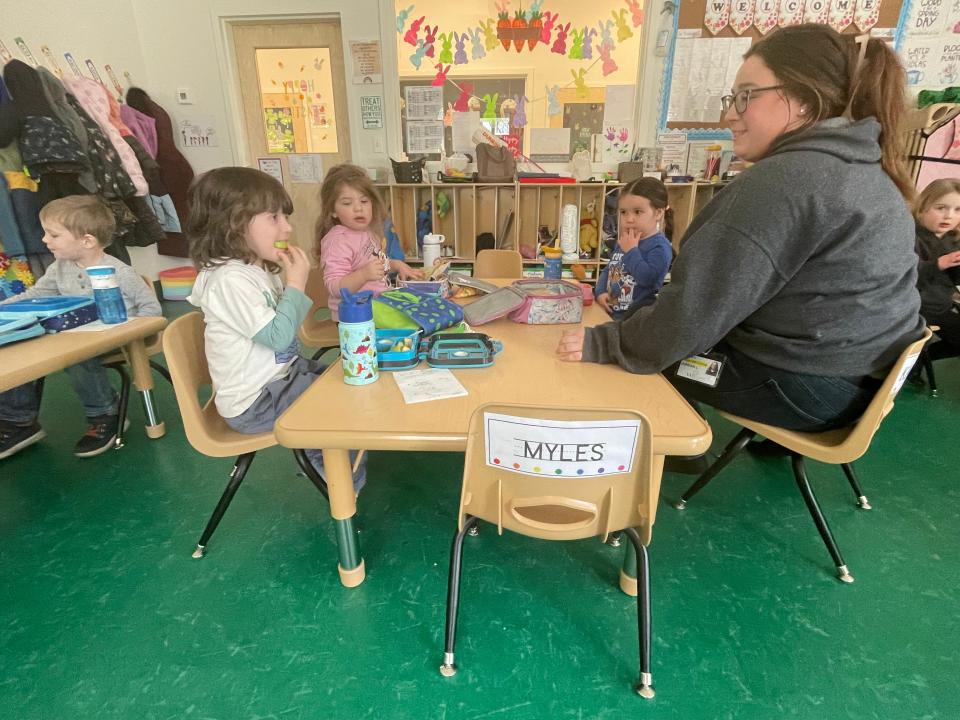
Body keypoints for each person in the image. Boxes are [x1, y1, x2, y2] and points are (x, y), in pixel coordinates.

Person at [557, 23, 924, 440]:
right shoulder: (860, 167)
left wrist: (605, 344)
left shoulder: (786, 180)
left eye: (746, 96)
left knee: (658, 356)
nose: (729, 113)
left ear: (804, 101)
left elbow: (687, 319)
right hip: (862, 382)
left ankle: (672, 458)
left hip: (809, 389)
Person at [184, 167, 365, 490]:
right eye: (274, 217)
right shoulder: (228, 280)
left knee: (350, 381)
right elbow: (279, 336)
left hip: (281, 378)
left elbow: (284, 329)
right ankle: (339, 484)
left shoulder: (253, 269)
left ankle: (330, 457)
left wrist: (289, 282)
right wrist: (295, 282)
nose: (287, 226)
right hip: (255, 402)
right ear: (232, 223)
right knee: (341, 410)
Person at [0, 195, 161, 459]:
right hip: (74, 334)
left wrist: (131, 332)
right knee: (18, 345)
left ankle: (104, 413)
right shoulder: (60, 268)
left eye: (53, 235)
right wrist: (5, 306)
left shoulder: (120, 273)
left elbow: (152, 311)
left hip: (115, 336)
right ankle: (17, 420)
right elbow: (37, 293)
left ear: (87, 241)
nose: (44, 240)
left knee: (76, 357)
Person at [316, 164, 422, 321]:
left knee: (419, 308)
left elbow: (377, 264)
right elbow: (335, 287)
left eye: (364, 201)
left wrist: (395, 265)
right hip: (353, 317)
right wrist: (363, 275)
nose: (358, 208)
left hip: (376, 307)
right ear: (332, 210)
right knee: (415, 322)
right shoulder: (337, 241)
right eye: (347, 203)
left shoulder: (367, 232)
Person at [595, 177, 673, 320]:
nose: (629, 219)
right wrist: (600, 291)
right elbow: (610, 269)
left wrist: (631, 251)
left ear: (658, 213)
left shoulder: (660, 247)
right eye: (624, 212)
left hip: (634, 323)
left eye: (637, 212)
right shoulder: (625, 239)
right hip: (610, 314)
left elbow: (648, 279)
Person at [912, 179, 960, 364]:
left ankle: (922, 361)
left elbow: (954, 280)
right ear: (923, 207)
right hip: (914, 307)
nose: (949, 216)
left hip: (941, 306)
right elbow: (903, 276)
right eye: (941, 208)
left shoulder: (953, 239)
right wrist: (938, 264)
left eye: (957, 210)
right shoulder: (911, 234)